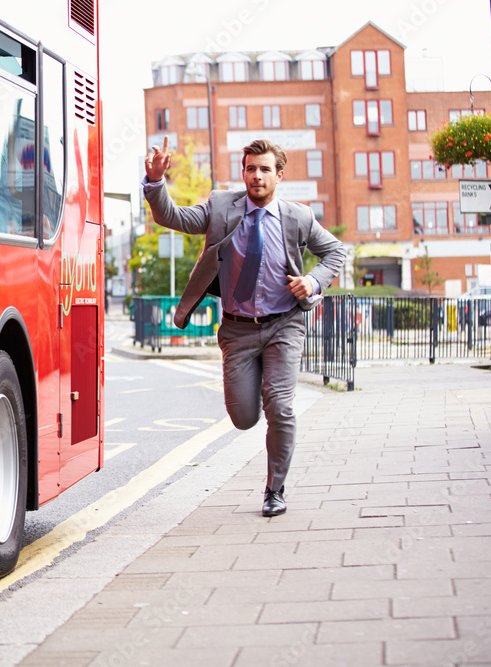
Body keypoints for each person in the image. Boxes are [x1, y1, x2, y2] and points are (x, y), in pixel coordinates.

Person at [143, 137, 346, 517]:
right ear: (243, 172)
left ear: (279, 175)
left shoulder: (298, 217)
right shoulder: (221, 207)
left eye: (265, 169)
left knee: (281, 406)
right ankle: (258, 432)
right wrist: (156, 184)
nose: (257, 176)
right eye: (251, 168)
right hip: (237, 330)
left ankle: (275, 489)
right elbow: (174, 217)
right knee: (244, 417)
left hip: (285, 324)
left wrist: (314, 281)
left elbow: (335, 251)